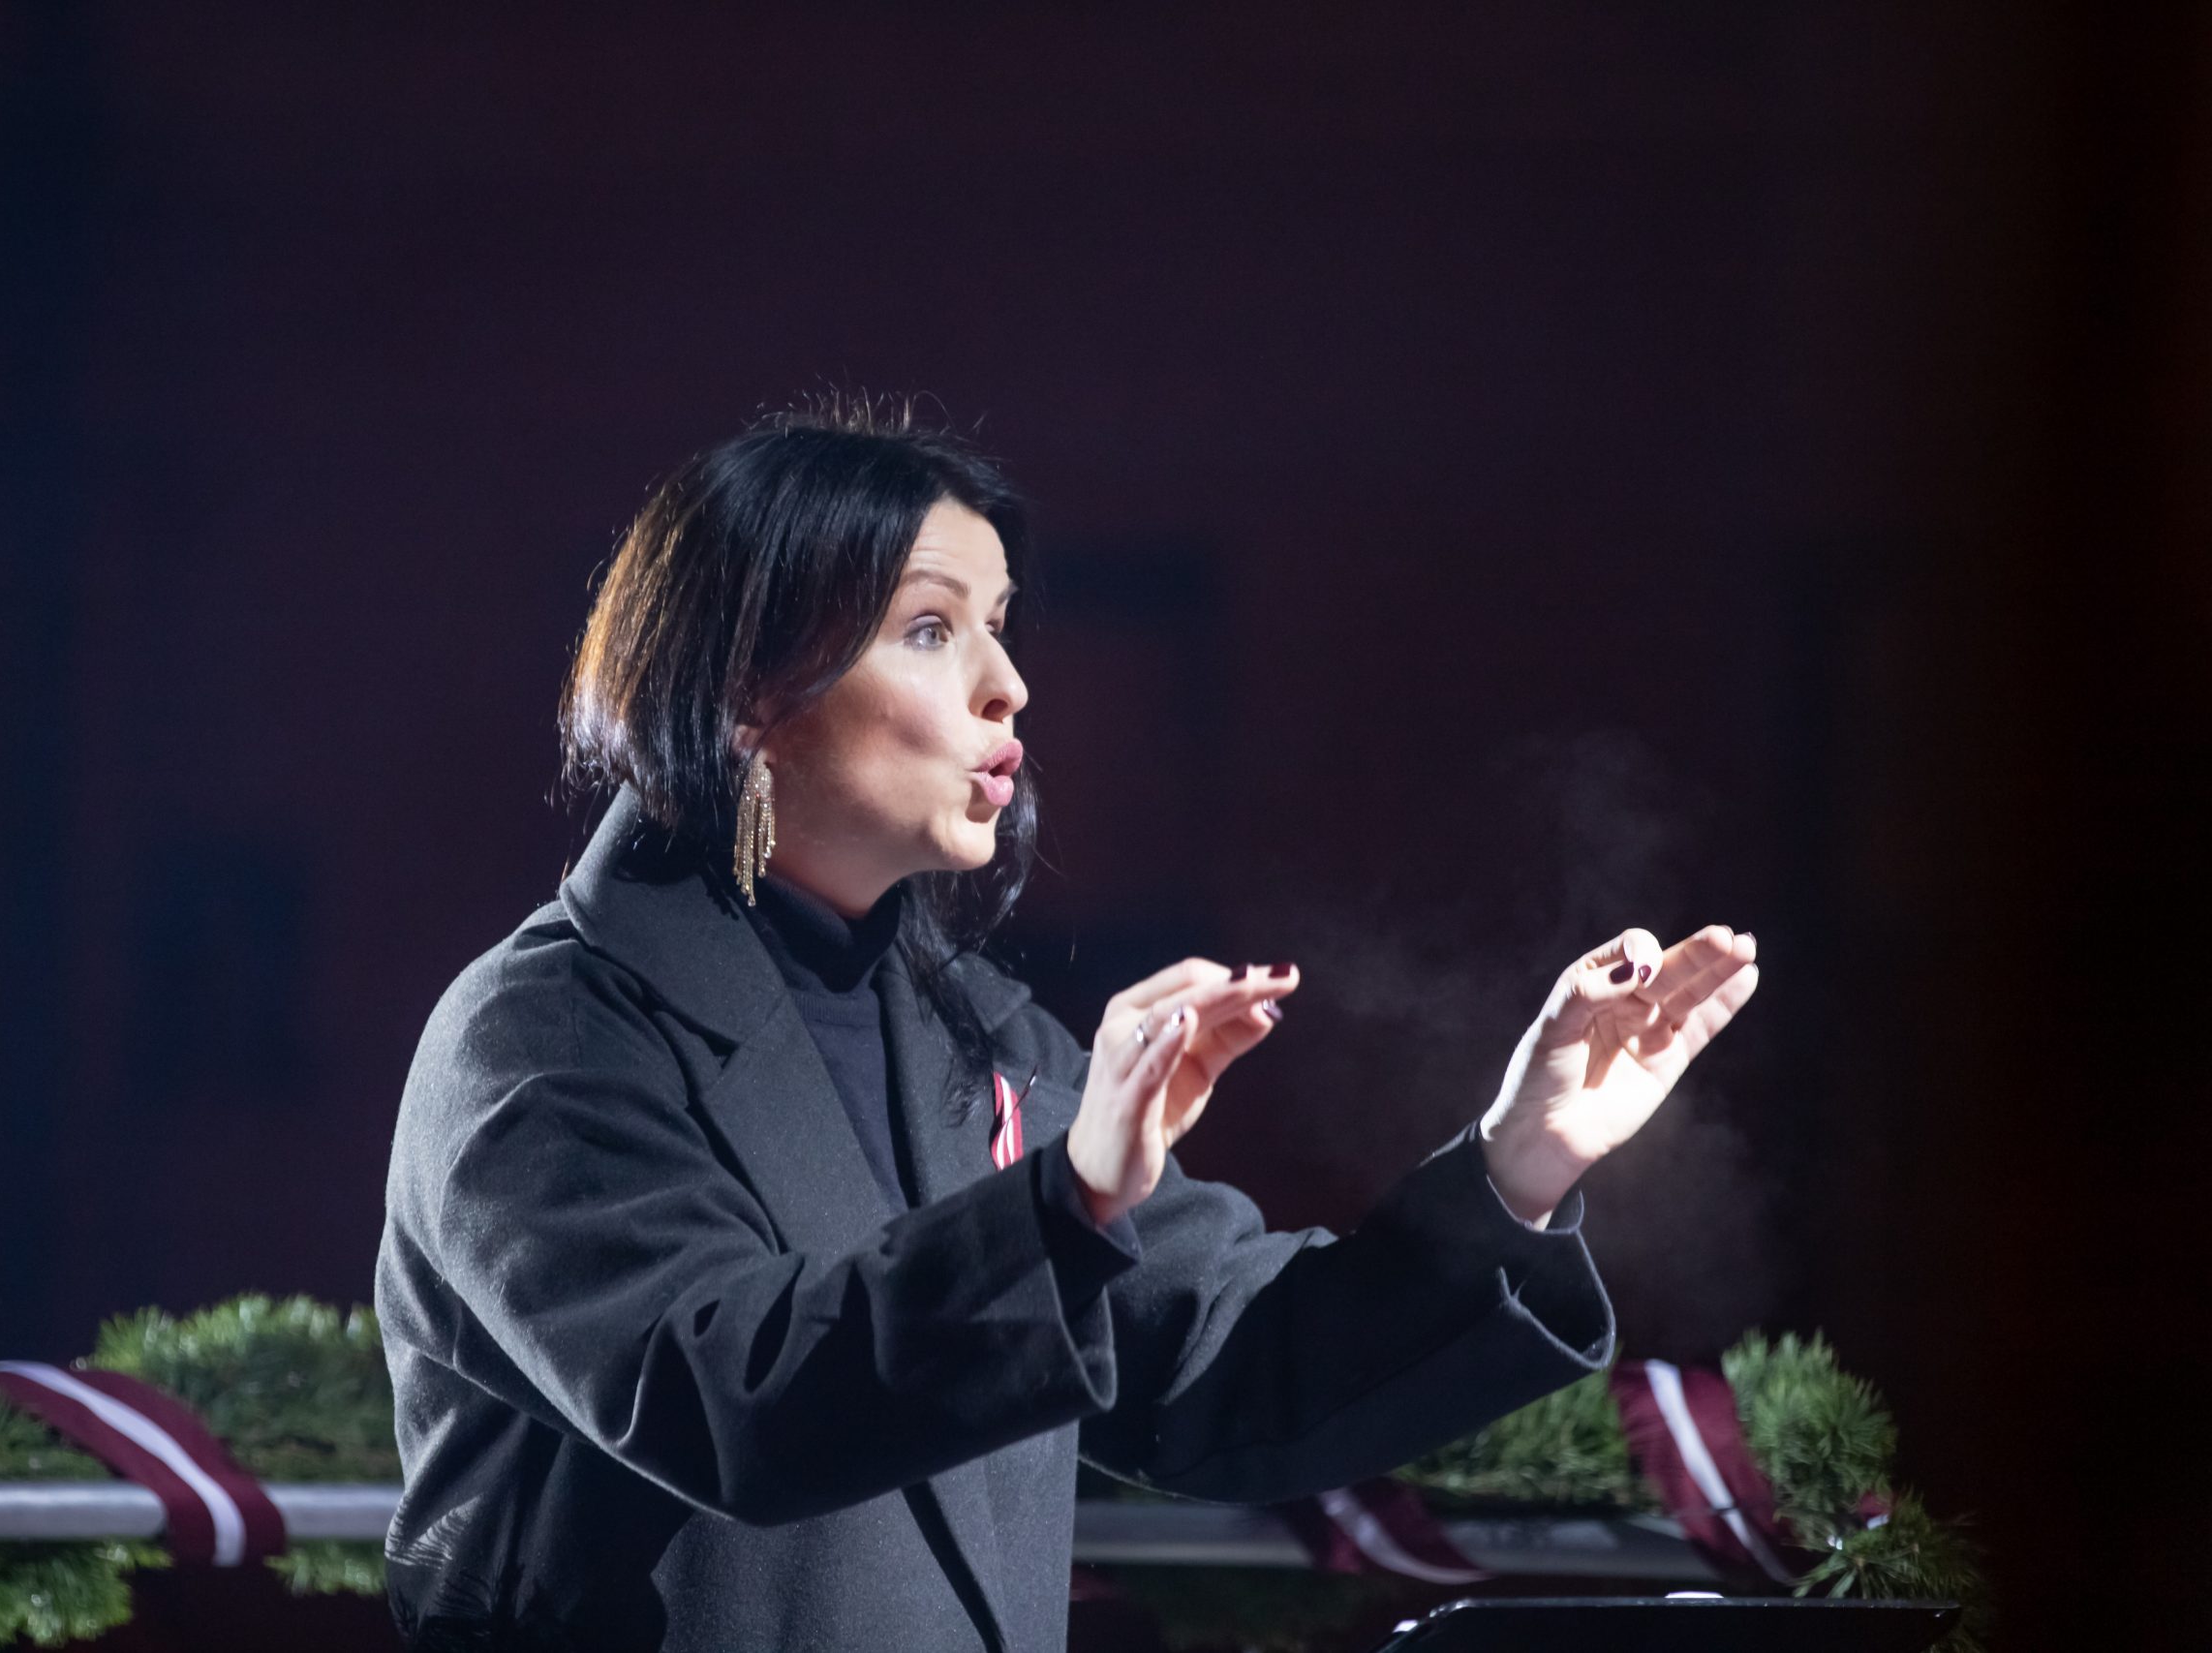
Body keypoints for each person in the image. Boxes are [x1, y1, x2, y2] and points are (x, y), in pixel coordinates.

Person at [373, 400, 1762, 1652]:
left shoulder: (976, 1033)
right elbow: (732, 1398)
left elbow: (1231, 1374)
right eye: (932, 629)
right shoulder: (545, 1030)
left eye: (999, 622)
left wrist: (1521, 1160)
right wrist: (1071, 1202)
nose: (1008, 683)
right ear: (745, 691)